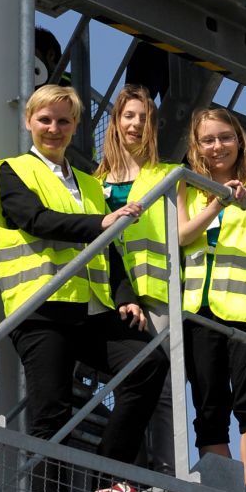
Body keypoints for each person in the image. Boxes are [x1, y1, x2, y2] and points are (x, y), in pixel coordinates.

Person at [0, 84, 168, 492]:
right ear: (29, 121)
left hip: (89, 308)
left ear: (75, 127)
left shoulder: (87, 182)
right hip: (41, 310)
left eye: (64, 121)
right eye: (45, 120)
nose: (54, 128)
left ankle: (107, 477)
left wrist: (126, 297)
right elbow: (36, 220)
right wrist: (98, 224)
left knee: (147, 364)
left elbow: (111, 246)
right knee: (51, 417)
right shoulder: (13, 170)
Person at [178, 106, 246, 473]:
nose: (217, 146)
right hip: (198, 311)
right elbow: (182, 236)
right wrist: (217, 202)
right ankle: (221, 488)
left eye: (225, 138)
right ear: (196, 146)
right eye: (208, 140)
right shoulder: (186, 188)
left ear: (240, 141)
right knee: (209, 408)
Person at [95, 85, 178, 472]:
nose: (136, 124)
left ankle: (165, 472)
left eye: (144, 118)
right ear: (115, 122)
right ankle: (131, 471)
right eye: (129, 116)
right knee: (129, 386)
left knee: (161, 389)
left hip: (155, 291)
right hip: (107, 293)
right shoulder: (93, 182)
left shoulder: (168, 176)